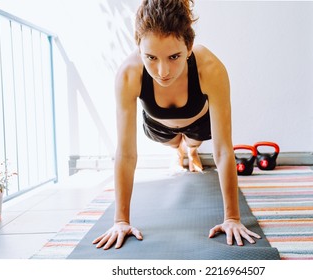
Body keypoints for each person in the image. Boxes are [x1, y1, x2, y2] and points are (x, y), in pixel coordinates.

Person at [93, 0, 261, 250]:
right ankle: (179, 151)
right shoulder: (129, 73)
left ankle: (191, 150)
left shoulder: (210, 67)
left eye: (174, 57)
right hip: (159, 126)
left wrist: (232, 218)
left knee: (193, 142)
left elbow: (224, 149)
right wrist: (120, 221)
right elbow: (126, 153)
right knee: (174, 145)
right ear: (138, 47)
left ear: (189, 47)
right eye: (151, 57)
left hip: (198, 123)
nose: (162, 71)